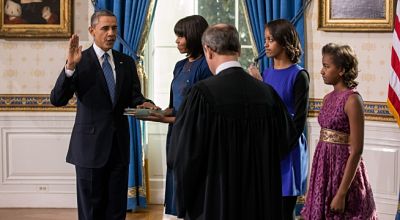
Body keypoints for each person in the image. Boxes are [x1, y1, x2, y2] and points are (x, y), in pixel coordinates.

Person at [167, 23, 298, 220]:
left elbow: (185, 155)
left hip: (216, 201)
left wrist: (186, 205)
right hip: (260, 202)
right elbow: (285, 141)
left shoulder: (201, 94)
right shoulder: (267, 93)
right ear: (238, 49)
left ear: (208, 51)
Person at [50, 10, 157, 220]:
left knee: (116, 210)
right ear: (92, 31)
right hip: (89, 149)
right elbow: (57, 99)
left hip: (119, 148)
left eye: (114, 28)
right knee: (91, 211)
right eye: (105, 28)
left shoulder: (126, 62)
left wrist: (146, 103)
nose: (111, 33)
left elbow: (134, 97)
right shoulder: (79, 61)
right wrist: (70, 67)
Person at [140, 15, 212, 216]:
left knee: (193, 188)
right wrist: (155, 110)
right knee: (176, 180)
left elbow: (201, 113)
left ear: (194, 36)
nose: (177, 41)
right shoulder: (179, 66)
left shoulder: (207, 66)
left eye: (181, 36)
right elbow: (174, 107)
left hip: (195, 136)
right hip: (176, 134)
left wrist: (164, 119)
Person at [301, 43, 377, 219]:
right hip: (323, 166)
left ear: (341, 70)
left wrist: (342, 193)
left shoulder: (352, 100)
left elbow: (357, 150)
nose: (322, 71)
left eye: (327, 66)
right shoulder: (328, 98)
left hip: (342, 171)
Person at [247, 19, 309, 220]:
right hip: (266, 145)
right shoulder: (266, 73)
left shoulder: (299, 75)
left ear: (284, 42)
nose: (265, 44)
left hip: (287, 147)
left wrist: (279, 147)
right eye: (265, 39)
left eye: (270, 39)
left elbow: (299, 120)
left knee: (283, 210)